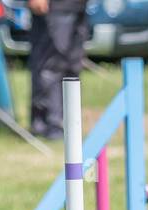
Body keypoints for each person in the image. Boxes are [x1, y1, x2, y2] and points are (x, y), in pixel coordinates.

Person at [27, 0, 90, 140]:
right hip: (54, 7)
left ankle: (69, 123)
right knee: (50, 65)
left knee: (73, 65)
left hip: (77, 6)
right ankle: (48, 123)